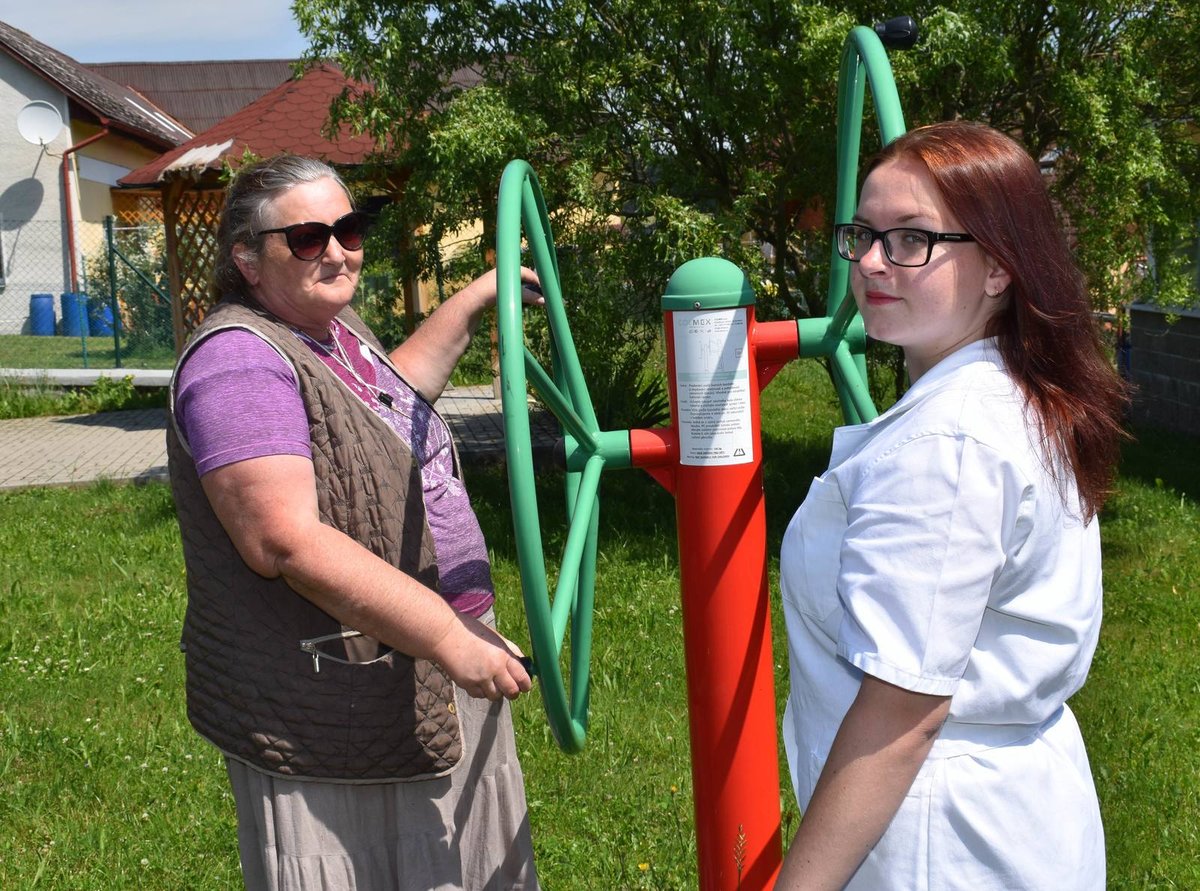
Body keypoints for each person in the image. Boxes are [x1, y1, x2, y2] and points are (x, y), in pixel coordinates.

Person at [166, 154, 543, 890]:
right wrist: (444, 635)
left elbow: (383, 406)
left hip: (434, 650)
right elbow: (284, 539)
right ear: (247, 258)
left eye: (351, 228)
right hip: (334, 697)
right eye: (307, 237)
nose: (337, 249)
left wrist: (473, 303)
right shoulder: (237, 363)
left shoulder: (331, 331)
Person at [775, 121, 1128, 890]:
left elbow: (901, 715)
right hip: (1014, 818)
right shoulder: (1019, 393)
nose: (872, 260)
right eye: (863, 233)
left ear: (1000, 265)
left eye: (911, 239)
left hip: (936, 841)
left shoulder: (948, 440)